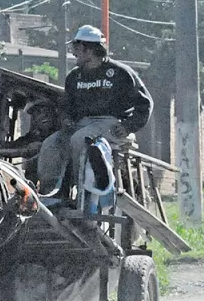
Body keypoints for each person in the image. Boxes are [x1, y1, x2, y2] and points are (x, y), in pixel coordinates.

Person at [37, 24, 153, 196]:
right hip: (82, 124)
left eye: (76, 47)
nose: (73, 52)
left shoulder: (120, 73)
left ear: (87, 49)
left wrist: (128, 126)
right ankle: (50, 194)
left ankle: (82, 193)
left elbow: (145, 102)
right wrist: (66, 119)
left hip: (110, 123)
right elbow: (65, 105)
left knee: (80, 140)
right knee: (50, 144)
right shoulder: (74, 77)